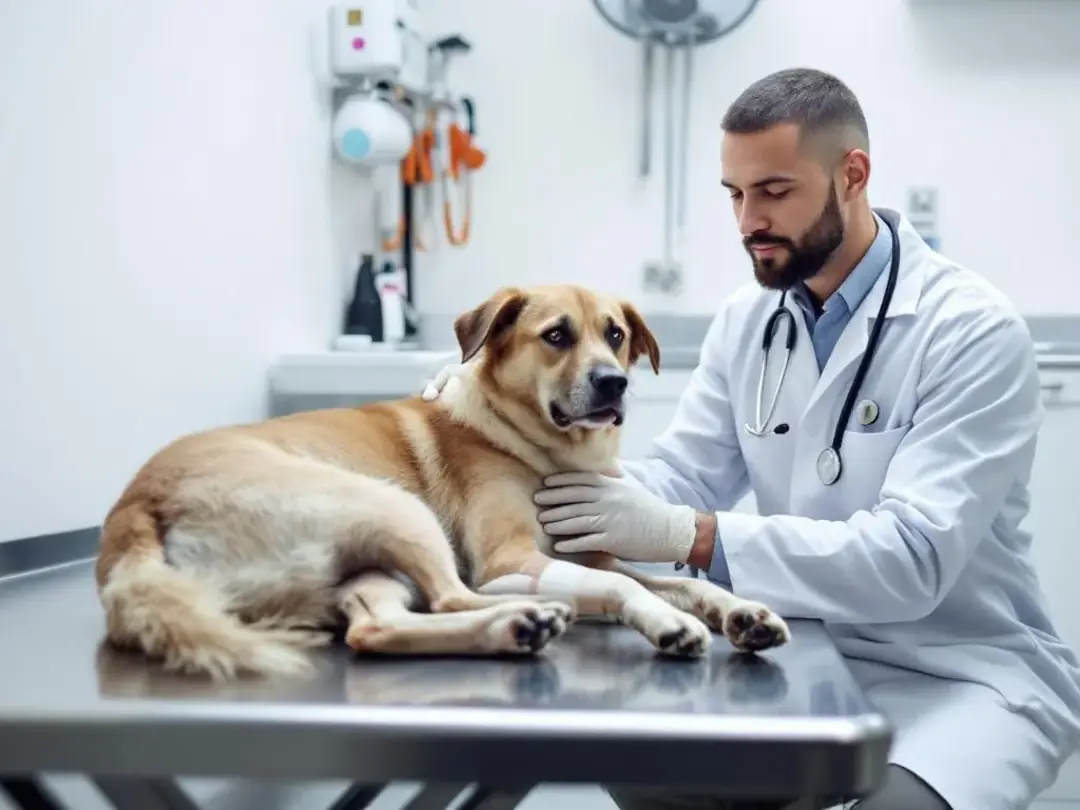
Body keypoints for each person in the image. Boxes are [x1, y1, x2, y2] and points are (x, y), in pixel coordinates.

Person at [420, 68, 1080, 810]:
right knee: (644, 772)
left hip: (958, 674)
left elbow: (912, 561)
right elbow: (682, 478)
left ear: (852, 175)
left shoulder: (971, 330)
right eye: (734, 194)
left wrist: (694, 536)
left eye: (773, 191)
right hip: (799, 649)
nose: (748, 221)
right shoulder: (750, 319)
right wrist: (498, 424)